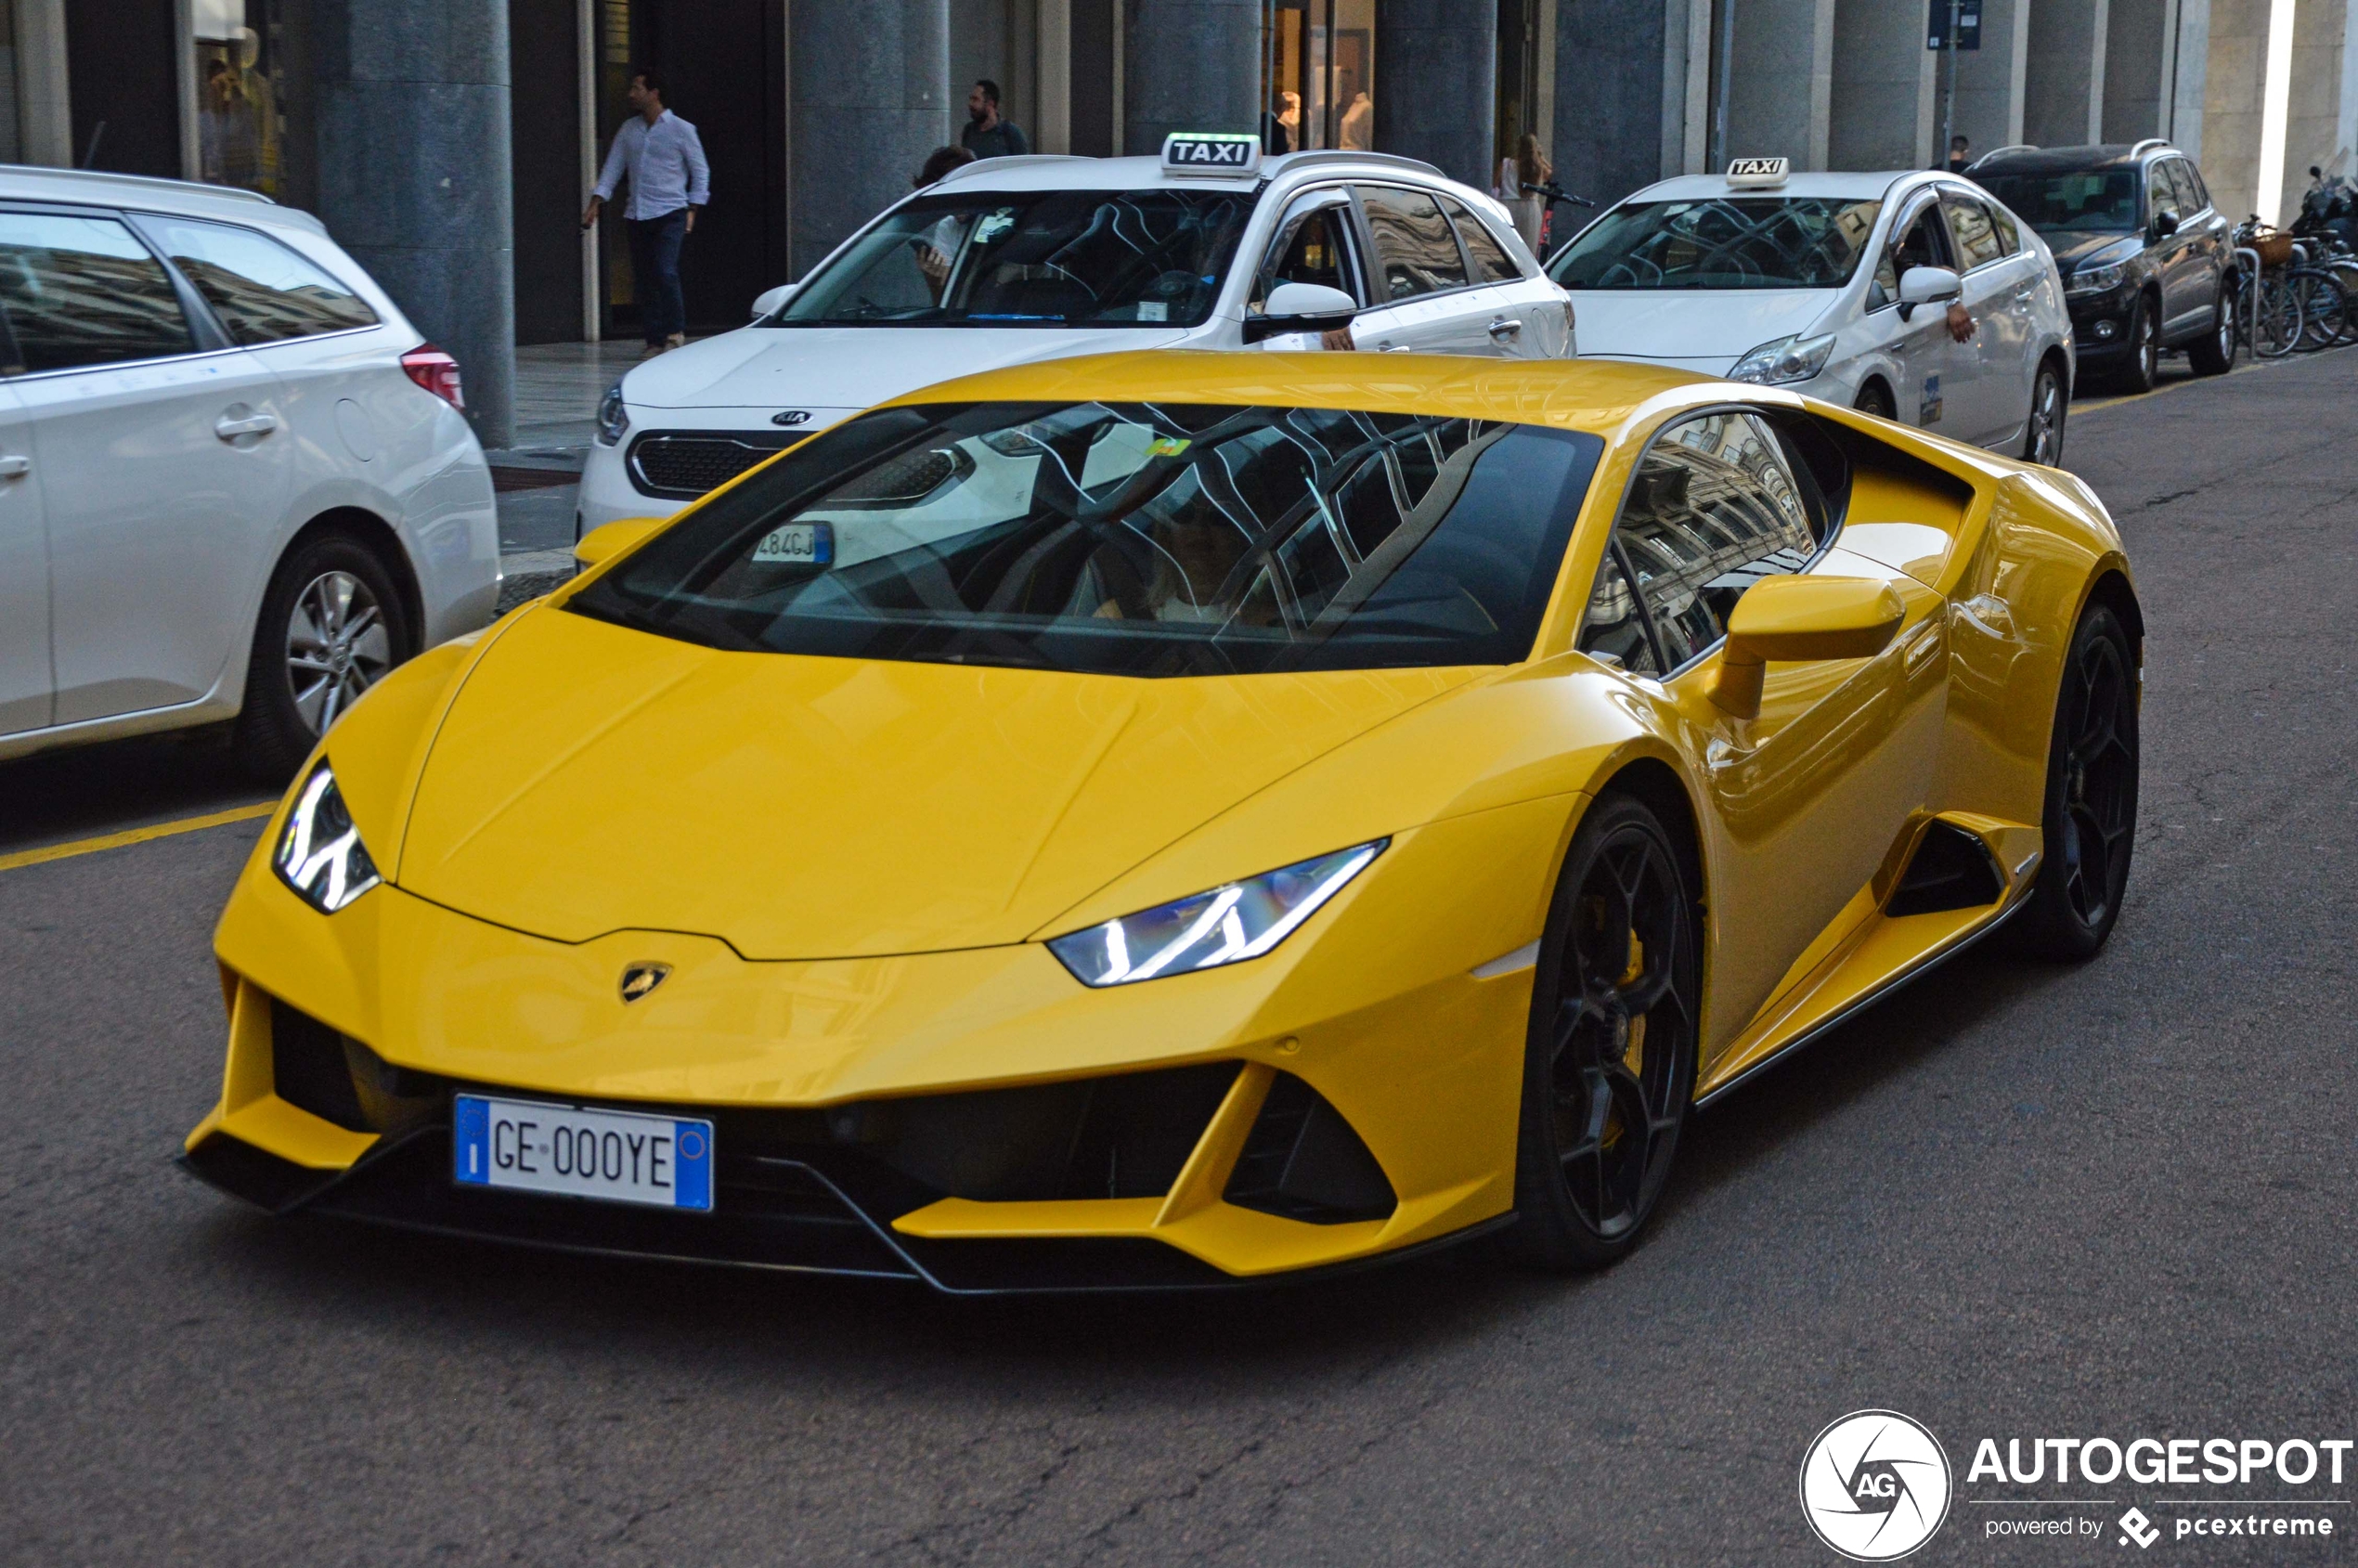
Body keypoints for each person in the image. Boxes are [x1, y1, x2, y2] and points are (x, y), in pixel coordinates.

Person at [581, 67, 711, 356]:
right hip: (637, 213)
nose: (631, 94)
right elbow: (613, 168)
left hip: (671, 212)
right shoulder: (629, 130)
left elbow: (700, 172)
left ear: (654, 93)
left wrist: (693, 208)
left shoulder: (681, 129)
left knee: (664, 270)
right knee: (644, 278)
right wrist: (595, 204)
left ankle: (675, 330)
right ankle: (653, 340)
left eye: (637, 88)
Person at [1498, 133, 1550, 251]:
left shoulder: (1506, 164)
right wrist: (1541, 157)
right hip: (1530, 208)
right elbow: (1552, 175)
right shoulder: (1538, 167)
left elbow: (1495, 185)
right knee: (1528, 248)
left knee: (1508, 247)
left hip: (1508, 206)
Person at [961, 80, 1029, 160]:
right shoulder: (969, 130)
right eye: (971, 99)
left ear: (990, 103)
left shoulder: (1010, 132)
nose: (970, 104)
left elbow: (1022, 164)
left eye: (975, 99)